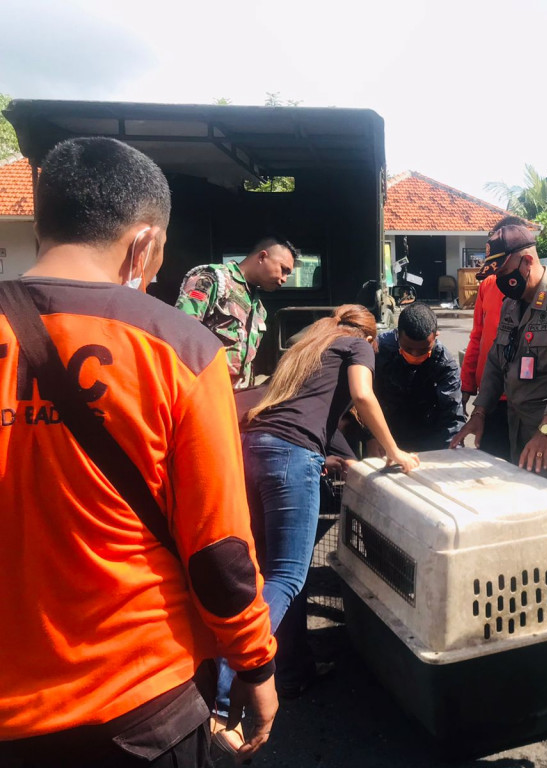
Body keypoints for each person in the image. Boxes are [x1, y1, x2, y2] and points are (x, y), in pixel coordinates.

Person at [0, 137, 277, 767]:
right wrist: (255, 667)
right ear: (144, 244)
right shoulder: (178, 348)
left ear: (43, 223)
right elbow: (219, 550)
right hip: (141, 704)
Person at [213, 304, 419, 746]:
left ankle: (293, 671)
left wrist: (346, 455)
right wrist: (394, 452)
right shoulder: (356, 346)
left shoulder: (305, 348)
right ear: (370, 336)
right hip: (289, 458)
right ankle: (220, 693)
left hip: (249, 449)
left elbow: (313, 416)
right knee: (288, 577)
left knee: (271, 574)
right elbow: (362, 398)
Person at [450, 224, 547, 492]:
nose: (500, 281)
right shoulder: (512, 304)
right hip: (521, 432)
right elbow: (497, 360)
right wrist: (480, 411)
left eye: (504, 273)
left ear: (528, 262)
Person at [175, 236, 297, 389]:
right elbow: (180, 333)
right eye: (283, 269)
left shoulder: (258, 309)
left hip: (238, 393)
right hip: (204, 388)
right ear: (262, 257)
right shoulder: (214, 279)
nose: (284, 279)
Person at [460, 215, 526, 458]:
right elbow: (477, 336)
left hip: (524, 402)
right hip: (491, 399)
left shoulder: (546, 293)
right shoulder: (488, 285)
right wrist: (467, 383)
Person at [371, 302, 464, 452]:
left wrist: (452, 453)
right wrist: (371, 437)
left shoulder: (445, 363)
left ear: (436, 336)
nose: (415, 355)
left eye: (423, 350)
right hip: (384, 433)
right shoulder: (378, 350)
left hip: (428, 436)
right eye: (408, 348)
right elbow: (362, 398)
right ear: (397, 334)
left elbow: (452, 417)